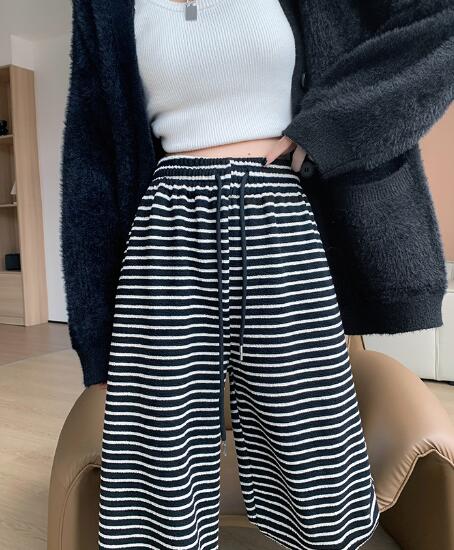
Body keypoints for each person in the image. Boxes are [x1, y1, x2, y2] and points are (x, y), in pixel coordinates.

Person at [60, 1, 454, 549]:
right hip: (164, 228)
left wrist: (329, 130)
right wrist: (94, 331)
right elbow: (90, 154)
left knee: (312, 443)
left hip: (281, 215)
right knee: (159, 448)